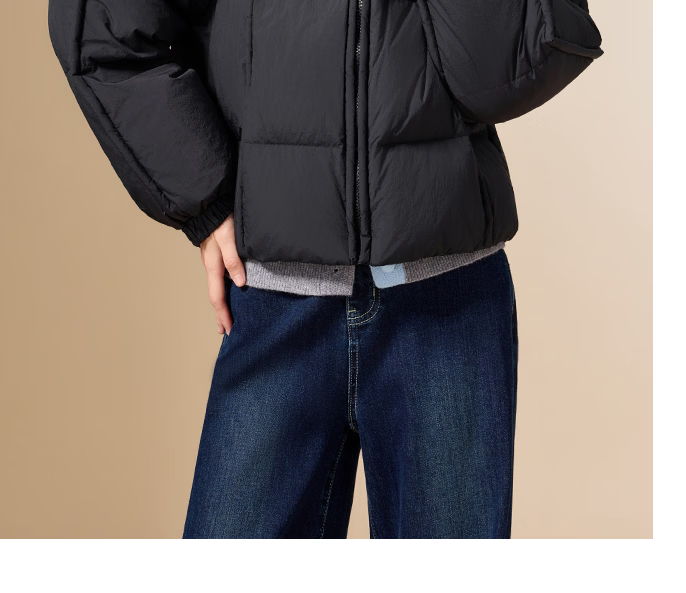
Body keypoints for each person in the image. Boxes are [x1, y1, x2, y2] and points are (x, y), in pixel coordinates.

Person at [48, 0, 602, 538]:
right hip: (275, 304)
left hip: (448, 302)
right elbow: (103, 24)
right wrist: (204, 199)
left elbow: (503, 66)